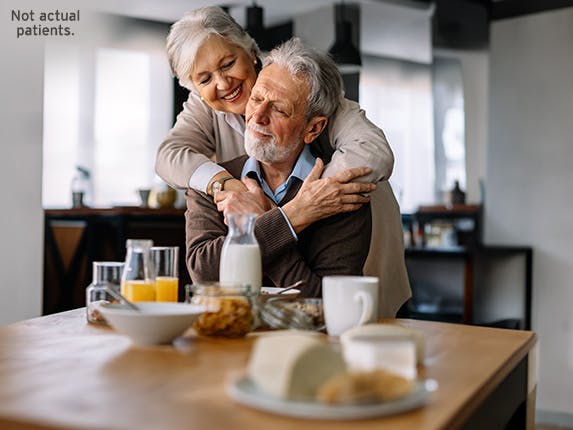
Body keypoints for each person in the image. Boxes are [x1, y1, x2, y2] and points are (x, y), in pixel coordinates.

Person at [156, 6, 410, 317]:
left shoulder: (304, 85)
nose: (222, 84)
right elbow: (169, 156)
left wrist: (308, 202)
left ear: (250, 52)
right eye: (205, 78)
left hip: (351, 212)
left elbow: (373, 151)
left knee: (359, 320)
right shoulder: (213, 152)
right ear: (194, 87)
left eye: (228, 64)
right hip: (268, 301)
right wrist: (237, 190)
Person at [185, 38, 370, 298]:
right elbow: (205, 275)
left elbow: (326, 303)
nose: (257, 116)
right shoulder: (214, 181)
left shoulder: (336, 195)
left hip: (307, 338)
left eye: (279, 109)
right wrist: (291, 218)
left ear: (313, 128)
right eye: (256, 98)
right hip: (229, 334)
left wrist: (261, 223)